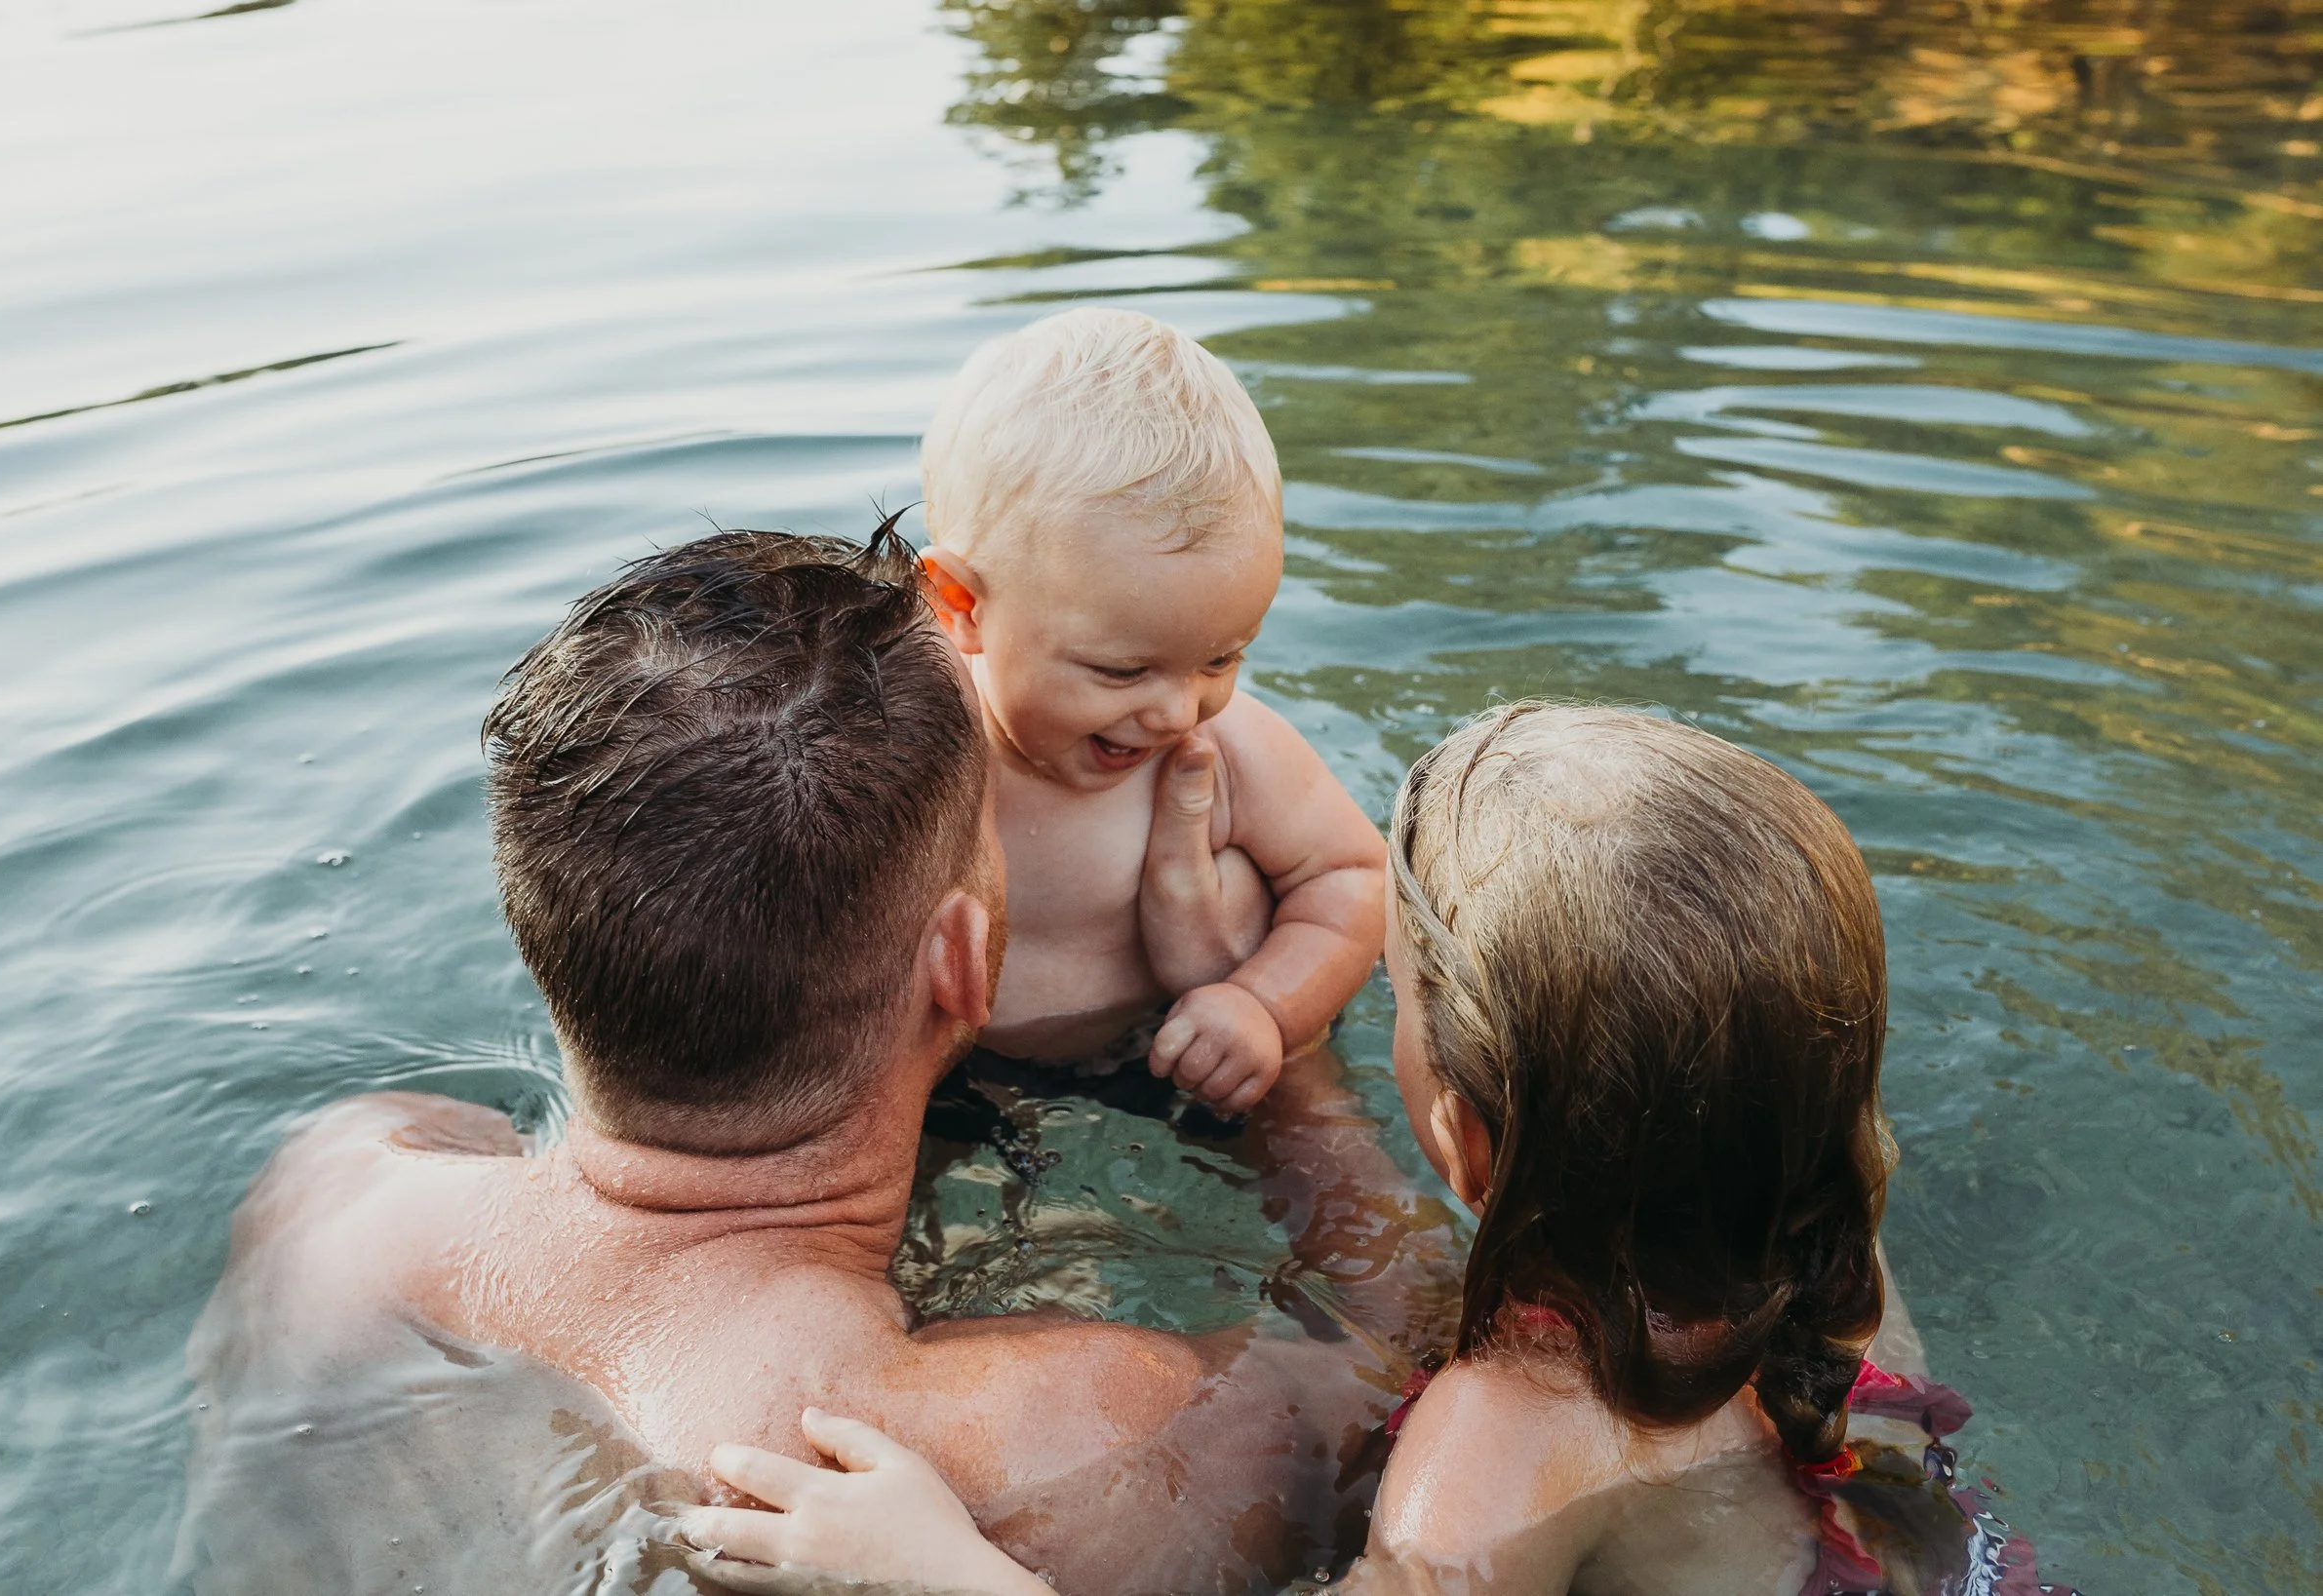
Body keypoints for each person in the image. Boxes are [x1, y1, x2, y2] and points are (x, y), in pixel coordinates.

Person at [177, 527, 1453, 1596]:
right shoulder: (1068, 1431)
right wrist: (1279, 1054)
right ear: (961, 961)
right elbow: (1430, 1397)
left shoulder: (335, 1186)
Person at [675, 706, 2056, 1596]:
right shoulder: (1833, 1267)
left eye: (1388, 994)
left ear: (1457, 1129)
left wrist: (941, 1575)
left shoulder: (1487, 1468)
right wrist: (1266, 1039)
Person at [918, 307, 1388, 1113]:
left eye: (1222, 657)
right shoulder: (903, 743)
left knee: (1326, 1150)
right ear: (961, 606)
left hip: (1185, 1047)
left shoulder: (1229, 748)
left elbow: (1353, 874)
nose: (1178, 711)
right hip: (949, 1081)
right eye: (1122, 668)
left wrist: (1265, 1005)